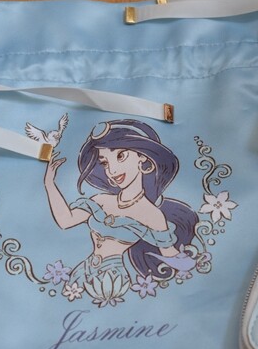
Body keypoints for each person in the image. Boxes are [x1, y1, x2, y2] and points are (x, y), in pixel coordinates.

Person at [44, 119, 198, 303]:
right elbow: (65, 220)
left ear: (142, 157)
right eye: (104, 163)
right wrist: (49, 184)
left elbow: (169, 254)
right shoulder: (100, 200)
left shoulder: (153, 215)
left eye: (120, 156)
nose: (112, 170)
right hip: (82, 271)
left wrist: (196, 261)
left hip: (112, 280)